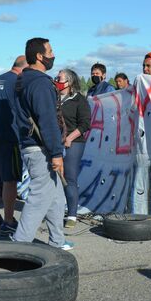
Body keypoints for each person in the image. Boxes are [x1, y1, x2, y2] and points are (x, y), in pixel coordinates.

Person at [11, 37, 74, 250]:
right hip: (41, 149)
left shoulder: (24, 80)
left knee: (56, 196)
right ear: (40, 56)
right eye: (50, 50)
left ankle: (57, 240)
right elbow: (47, 120)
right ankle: (19, 246)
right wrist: (56, 153)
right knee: (39, 197)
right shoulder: (40, 83)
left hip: (32, 145)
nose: (53, 55)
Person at [0, 56, 28, 234]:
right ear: (23, 69)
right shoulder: (17, 81)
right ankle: (9, 221)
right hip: (8, 135)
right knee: (10, 180)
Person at [55, 68, 91, 229]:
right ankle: (54, 211)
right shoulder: (53, 98)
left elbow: (85, 124)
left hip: (73, 143)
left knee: (69, 178)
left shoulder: (79, 100)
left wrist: (69, 138)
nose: (57, 80)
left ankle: (72, 214)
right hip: (55, 142)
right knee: (53, 177)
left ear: (69, 82)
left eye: (60, 78)